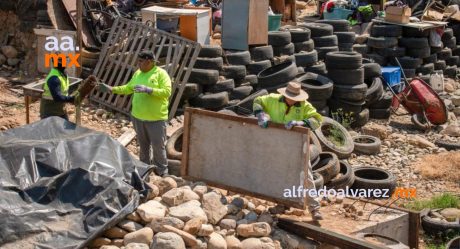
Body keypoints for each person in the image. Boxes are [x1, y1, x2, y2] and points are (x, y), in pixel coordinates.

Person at [253, 81, 324, 220]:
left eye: (294, 98)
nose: (292, 100)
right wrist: (260, 114)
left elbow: (317, 120)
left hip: (298, 144)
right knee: (280, 174)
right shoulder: (272, 99)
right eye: (290, 97)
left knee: (307, 175)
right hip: (278, 143)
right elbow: (257, 101)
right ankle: (283, 204)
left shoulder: (304, 106)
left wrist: (301, 123)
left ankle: (314, 208)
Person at [98, 50, 171, 176]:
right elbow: (128, 88)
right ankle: (145, 170)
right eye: (138, 61)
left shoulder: (161, 74)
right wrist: (112, 89)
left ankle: (162, 173)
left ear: (149, 62)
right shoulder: (138, 73)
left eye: (141, 61)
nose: (138, 64)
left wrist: (149, 90)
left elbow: (166, 92)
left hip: (156, 119)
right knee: (143, 147)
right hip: (138, 117)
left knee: (158, 148)